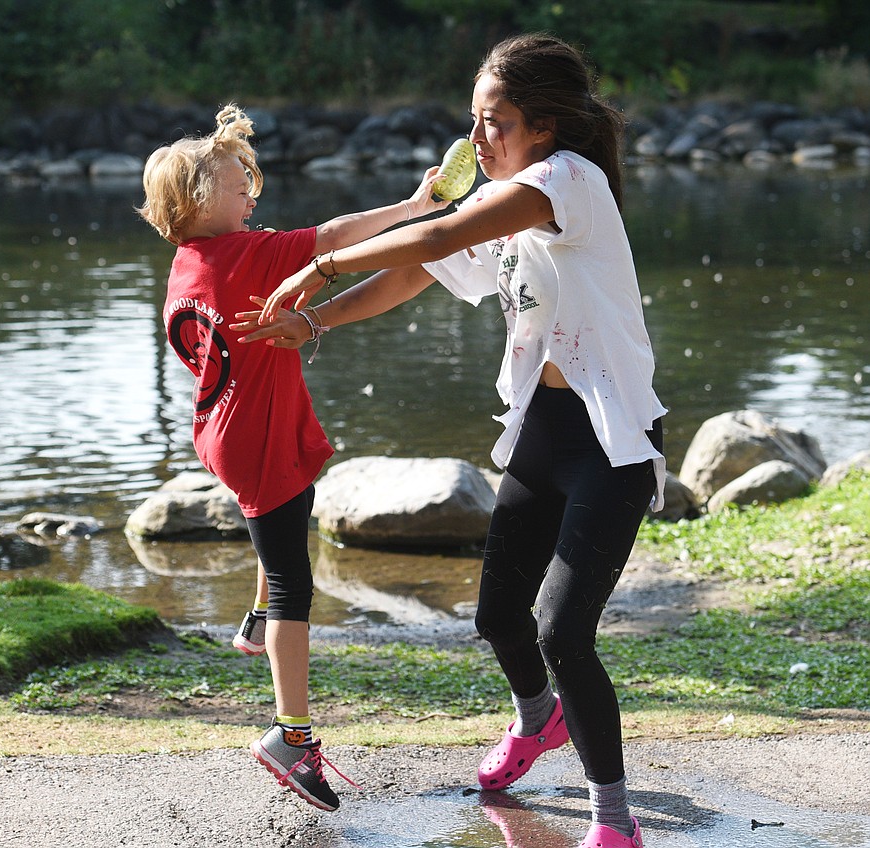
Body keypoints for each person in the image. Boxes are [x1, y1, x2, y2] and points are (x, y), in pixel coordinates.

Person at [237, 34, 665, 848]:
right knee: (499, 617)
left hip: (611, 442)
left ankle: (615, 823)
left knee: (562, 633)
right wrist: (314, 321)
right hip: (543, 432)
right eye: (472, 120)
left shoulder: (563, 182)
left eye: (494, 122)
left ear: (543, 126)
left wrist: (321, 265)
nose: (478, 140)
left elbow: (432, 238)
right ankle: (538, 720)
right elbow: (416, 271)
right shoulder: (503, 195)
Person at [137, 103, 445, 811]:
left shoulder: (191, 265)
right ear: (195, 201)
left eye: (251, 179)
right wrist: (413, 206)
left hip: (223, 429)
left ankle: (253, 620)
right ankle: (291, 735)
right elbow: (334, 241)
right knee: (293, 587)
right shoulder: (246, 255)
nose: (250, 191)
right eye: (235, 181)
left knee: (282, 530)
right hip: (259, 439)